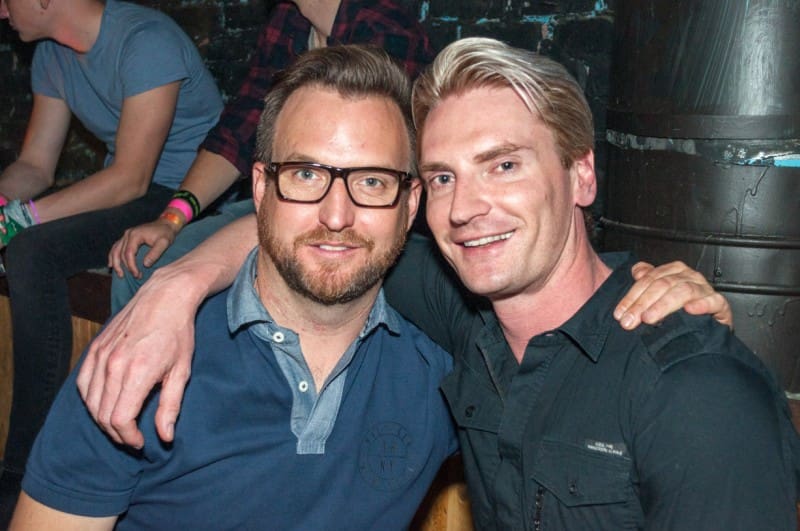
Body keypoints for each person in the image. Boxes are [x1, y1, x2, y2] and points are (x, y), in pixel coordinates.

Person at [79, 37, 796, 527]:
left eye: (504, 165)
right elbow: (318, 228)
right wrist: (176, 284)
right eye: (444, 177)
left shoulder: (695, 390)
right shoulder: (462, 313)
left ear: (581, 174)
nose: (466, 208)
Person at [10, 45, 457, 529]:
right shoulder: (139, 360)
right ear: (261, 188)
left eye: (372, 182)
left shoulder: (443, 366)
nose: (336, 216)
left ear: (411, 203)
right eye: (306, 175)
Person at [0, 0, 222, 516]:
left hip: (186, 196)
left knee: (30, 250)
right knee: (26, 240)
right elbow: (35, 167)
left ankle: (25, 465)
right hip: (131, 193)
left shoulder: (144, 41)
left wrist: (16, 222)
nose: (2, 13)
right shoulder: (51, 55)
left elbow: (131, 179)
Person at [107, 0, 434, 313]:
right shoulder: (287, 21)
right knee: (142, 262)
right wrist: (172, 218)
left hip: (364, 214)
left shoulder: (388, 29)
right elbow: (239, 131)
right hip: (287, 196)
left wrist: (193, 275)